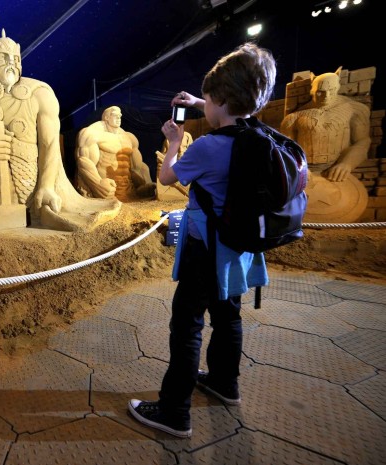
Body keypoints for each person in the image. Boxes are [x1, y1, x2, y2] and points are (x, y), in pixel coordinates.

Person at [128, 42, 273, 438]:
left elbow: (167, 178)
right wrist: (198, 103)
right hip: (239, 247)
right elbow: (227, 112)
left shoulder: (207, 147)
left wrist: (174, 142)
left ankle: (174, 411)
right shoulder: (259, 137)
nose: (202, 106)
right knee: (228, 315)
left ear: (221, 100)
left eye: (207, 100)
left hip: (205, 248)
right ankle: (226, 383)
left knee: (187, 324)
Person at [0, 30, 120, 231]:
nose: (11, 63)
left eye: (15, 58)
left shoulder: (40, 92)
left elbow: (49, 145)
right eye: (4, 57)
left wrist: (47, 186)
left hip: (29, 185)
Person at [279, 69, 371, 222]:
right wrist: (299, 166)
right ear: (312, 90)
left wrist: (346, 164)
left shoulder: (355, 110)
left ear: (338, 88)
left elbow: (363, 142)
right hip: (306, 174)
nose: (326, 96)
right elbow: (286, 147)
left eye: (331, 90)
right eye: (320, 92)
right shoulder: (293, 118)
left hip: (337, 174)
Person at [75, 106, 155, 201]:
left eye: (120, 116)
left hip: (130, 191)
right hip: (107, 190)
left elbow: (138, 167)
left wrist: (145, 184)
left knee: (144, 170)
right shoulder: (92, 134)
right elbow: (84, 162)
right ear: (106, 118)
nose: (118, 118)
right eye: (115, 115)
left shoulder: (129, 138)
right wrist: (98, 184)